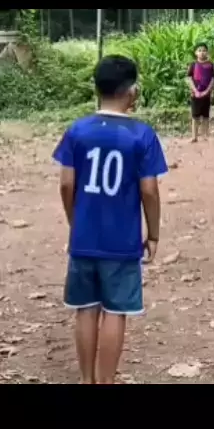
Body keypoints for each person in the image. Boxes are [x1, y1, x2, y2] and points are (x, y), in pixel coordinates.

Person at [52, 55, 168, 384]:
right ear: (132, 92)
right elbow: (149, 190)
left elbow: (66, 184)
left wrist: (75, 222)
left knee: (86, 308)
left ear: (97, 89)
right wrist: (153, 233)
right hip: (122, 242)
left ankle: (86, 379)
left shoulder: (77, 131)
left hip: (84, 239)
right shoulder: (142, 135)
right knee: (116, 311)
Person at [186, 42, 214, 143]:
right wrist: (195, 91)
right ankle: (194, 137)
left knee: (205, 116)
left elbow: (213, 78)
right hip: (195, 95)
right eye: (199, 50)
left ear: (207, 52)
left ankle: (205, 136)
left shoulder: (210, 65)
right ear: (196, 53)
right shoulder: (193, 65)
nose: (202, 52)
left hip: (206, 95)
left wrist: (207, 91)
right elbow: (189, 78)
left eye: (204, 50)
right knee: (195, 116)